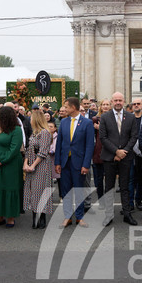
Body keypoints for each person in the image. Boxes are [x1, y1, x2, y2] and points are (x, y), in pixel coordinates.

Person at [99, 92, 138, 226]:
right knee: (109, 187)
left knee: (125, 187)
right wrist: (116, 151)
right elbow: (103, 138)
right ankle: (108, 216)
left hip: (126, 157)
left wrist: (124, 151)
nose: (118, 102)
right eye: (115, 100)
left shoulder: (131, 117)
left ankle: (127, 214)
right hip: (110, 157)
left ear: (124, 101)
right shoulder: (104, 117)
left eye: (120, 100)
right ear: (111, 101)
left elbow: (134, 137)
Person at [54, 97, 94, 228]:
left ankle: (80, 217)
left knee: (79, 190)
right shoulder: (64, 122)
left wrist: (86, 164)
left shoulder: (87, 123)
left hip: (79, 163)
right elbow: (59, 143)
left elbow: (89, 146)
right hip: (65, 162)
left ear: (74, 107)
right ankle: (67, 217)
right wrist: (57, 162)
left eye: (66, 106)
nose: (64, 109)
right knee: (66, 191)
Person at [23, 109, 53, 230]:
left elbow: (43, 152)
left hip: (41, 167)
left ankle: (42, 219)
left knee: (40, 192)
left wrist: (33, 165)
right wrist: (25, 164)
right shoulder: (34, 133)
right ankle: (35, 217)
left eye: (31, 118)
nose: (29, 120)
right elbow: (28, 150)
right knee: (33, 193)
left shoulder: (45, 133)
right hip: (31, 166)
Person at [92, 99, 111, 210]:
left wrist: (101, 129)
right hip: (98, 151)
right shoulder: (95, 119)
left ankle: (108, 201)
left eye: (107, 104)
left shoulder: (113, 118)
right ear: (100, 106)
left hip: (110, 151)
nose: (105, 106)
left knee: (109, 179)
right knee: (99, 179)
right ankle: (101, 200)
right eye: (103, 104)